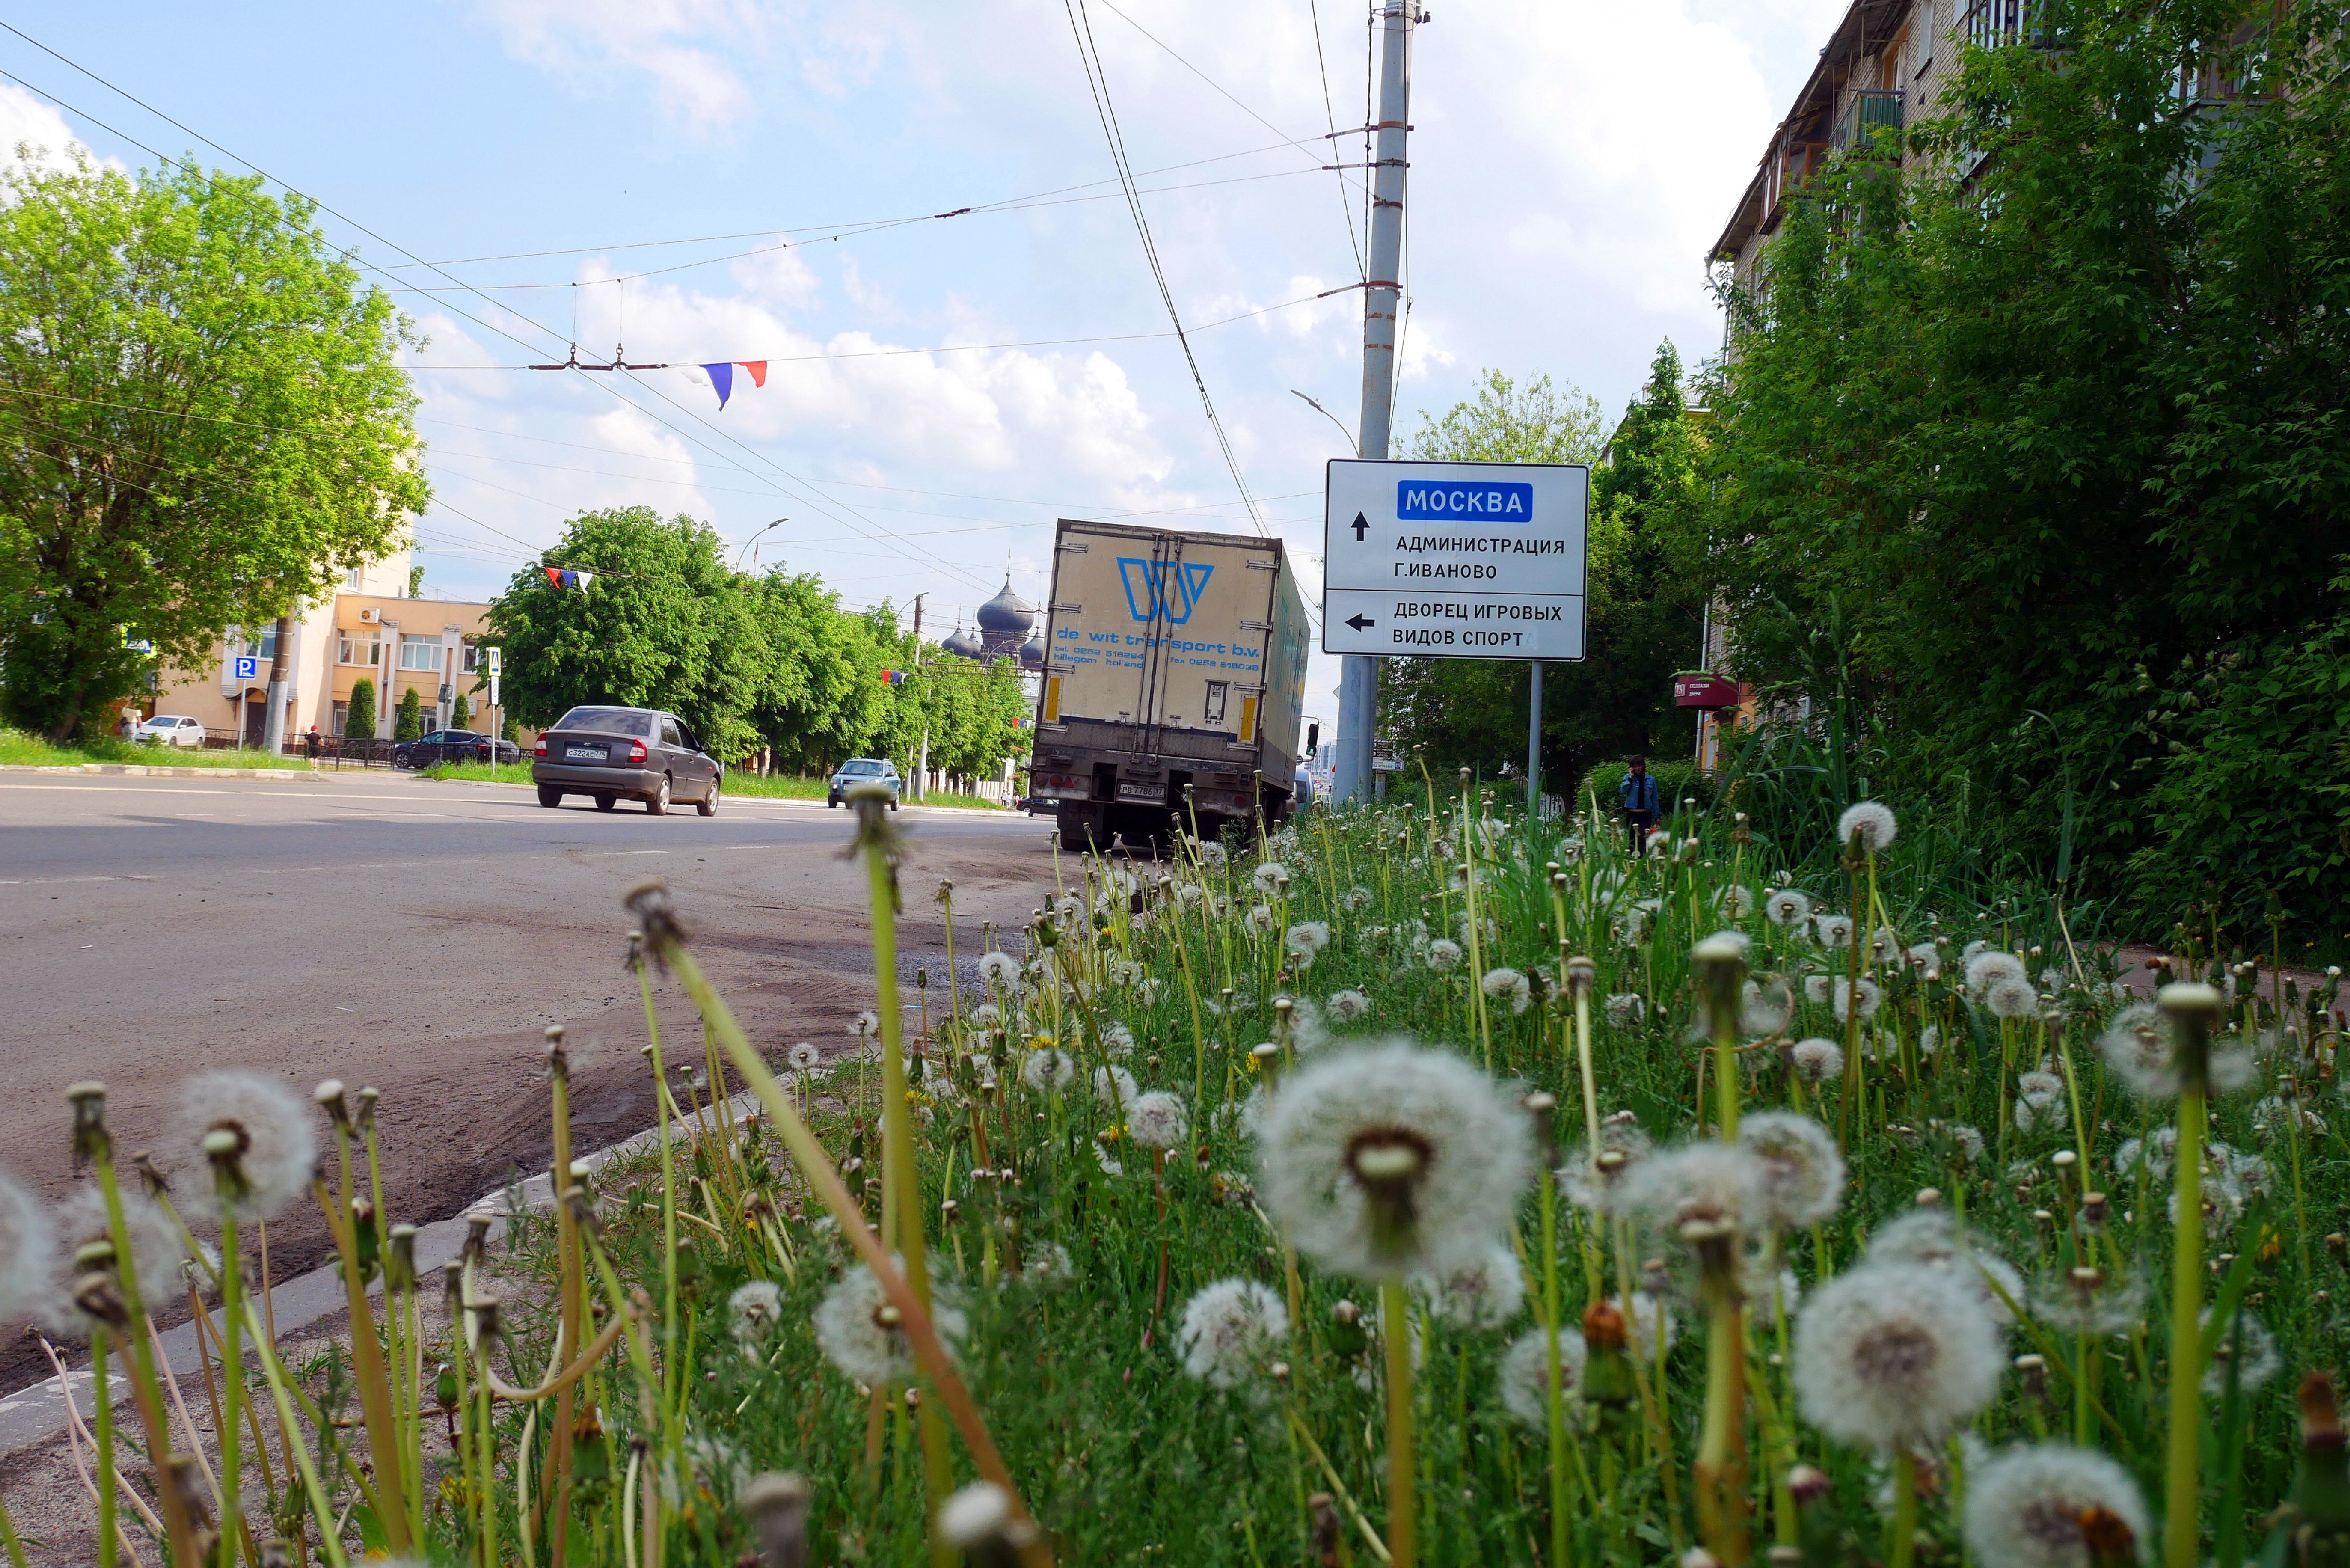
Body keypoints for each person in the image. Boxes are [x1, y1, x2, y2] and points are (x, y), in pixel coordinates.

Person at [1619, 754, 1661, 853]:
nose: (1637, 768)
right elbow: (1623, 791)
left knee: (1643, 837)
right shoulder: (1628, 778)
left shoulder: (1651, 780)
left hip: (1645, 814)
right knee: (1632, 838)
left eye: (1639, 766)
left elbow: (1654, 799)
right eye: (1635, 766)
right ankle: (1632, 861)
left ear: (1643, 766)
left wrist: (1657, 816)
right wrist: (1630, 777)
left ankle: (1642, 861)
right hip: (1632, 813)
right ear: (1631, 768)